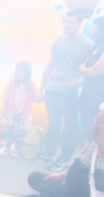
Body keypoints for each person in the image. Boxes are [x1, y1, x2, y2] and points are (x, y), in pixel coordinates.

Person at [36, 12, 93, 170]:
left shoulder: (87, 45)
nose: (67, 25)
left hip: (68, 92)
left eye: (71, 22)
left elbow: (95, 71)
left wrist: (81, 82)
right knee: (53, 123)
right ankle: (49, 152)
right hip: (52, 89)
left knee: (71, 125)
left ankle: (65, 156)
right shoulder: (59, 41)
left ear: (79, 23)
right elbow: (49, 66)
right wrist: (41, 89)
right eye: (66, 22)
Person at [78, 16, 104, 141]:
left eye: (96, 25)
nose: (93, 28)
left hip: (100, 95)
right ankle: (88, 151)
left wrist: (87, 70)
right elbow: (81, 69)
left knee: (97, 128)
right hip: (87, 92)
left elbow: (96, 70)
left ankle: (96, 151)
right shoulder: (96, 47)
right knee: (87, 126)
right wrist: (88, 71)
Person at [2, 61, 37, 158]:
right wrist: (4, 108)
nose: (16, 73)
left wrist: (43, 96)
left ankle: (17, 149)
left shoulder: (31, 85)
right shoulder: (12, 83)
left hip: (23, 113)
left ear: (26, 73)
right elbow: (6, 95)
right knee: (9, 130)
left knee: (21, 132)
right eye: (16, 71)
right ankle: (7, 147)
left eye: (19, 71)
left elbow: (35, 97)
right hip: (12, 111)